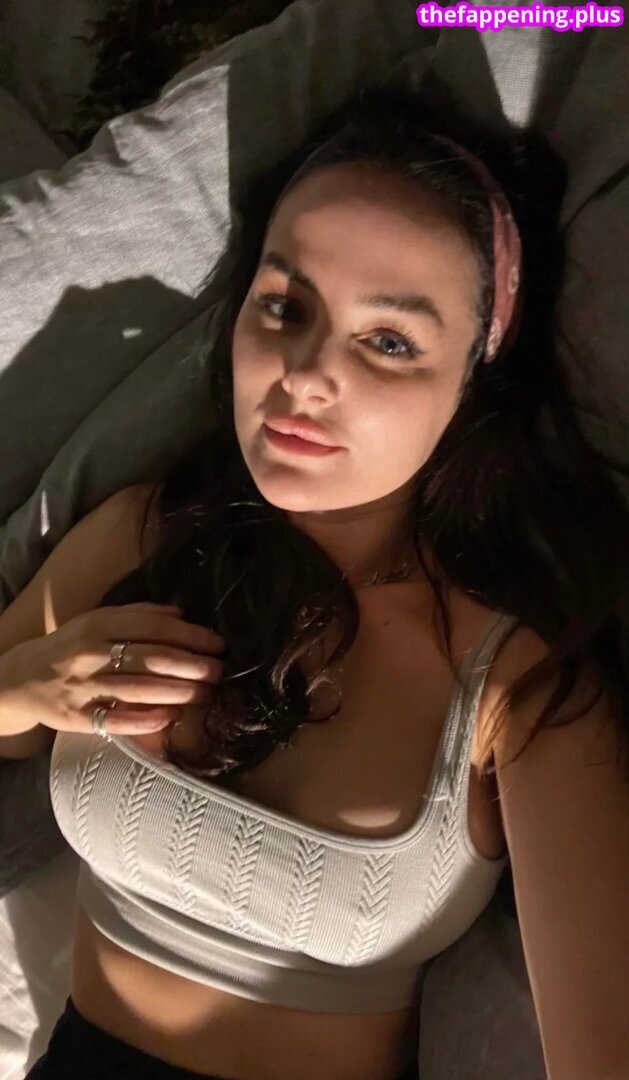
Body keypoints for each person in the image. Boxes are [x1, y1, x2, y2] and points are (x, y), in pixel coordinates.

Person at [0, 84, 627, 1080]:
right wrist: (27, 684)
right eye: (284, 307)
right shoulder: (143, 537)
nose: (301, 374)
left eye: (388, 341)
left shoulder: (517, 691)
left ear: (474, 380)